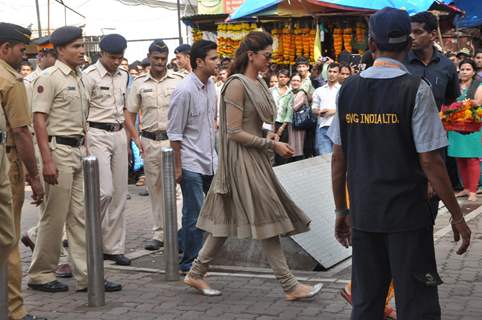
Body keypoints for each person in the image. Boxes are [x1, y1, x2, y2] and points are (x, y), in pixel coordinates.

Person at [329, 7, 471, 319]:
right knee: (418, 298)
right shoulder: (414, 89)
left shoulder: (348, 90)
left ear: (370, 44)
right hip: (408, 215)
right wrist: (457, 216)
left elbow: (339, 158)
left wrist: (342, 210)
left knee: (366, 300)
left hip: (365, 213)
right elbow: (431, 161)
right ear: (408, 45)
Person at [182, 31, 321, 300]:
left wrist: (268, 137)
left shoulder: (256, 82)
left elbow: (254, 125)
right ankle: (289, 285)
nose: (270, 60)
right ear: (251, 55)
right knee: (268, 219)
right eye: (267, 55)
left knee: (224, 222)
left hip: (255, 157)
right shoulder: (236, 84)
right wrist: (271, 144)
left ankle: (196, 273)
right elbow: (233, 132)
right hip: (241, 161)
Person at [28, 26, 121, 293]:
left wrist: (87, 148)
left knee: (81, 217)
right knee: (53, 217)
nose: (82, 51)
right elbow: (39, 121)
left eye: (82, 46)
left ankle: (87, 275)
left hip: (78, 151)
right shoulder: (49, 78)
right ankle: (41, 274)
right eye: (76, 47)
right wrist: (46, 161)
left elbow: (81, 123)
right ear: (60, 50)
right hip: (57, 152)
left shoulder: (80, 77)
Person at [0, 22, 46, 320]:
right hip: (8, 165)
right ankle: (14, 310)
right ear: (5, 49)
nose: (24, 57)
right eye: (20, 50)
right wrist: (34, 175)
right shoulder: (10, 81)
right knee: (9, 239)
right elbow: (21, 132)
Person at [126, 39, 183, 251]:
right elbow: (129, 113)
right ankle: (159, 234)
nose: (160, 62)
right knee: (155, 188)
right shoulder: (139, 83)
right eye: (156, 58)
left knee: (177, 189)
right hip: (149, 142)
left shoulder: (178, 81)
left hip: (173, 142)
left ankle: (177, 233)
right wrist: (136, 139)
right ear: (149, 57)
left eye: (163, 59)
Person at [167, 40, 219, 273]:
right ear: (199, 62)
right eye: (213, 58)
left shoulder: (212, 87)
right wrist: (178, 168)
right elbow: (175, 133)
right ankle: (189, 262)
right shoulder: (184, 90)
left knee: (208, 211)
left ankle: (181, 243)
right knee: (194, 212)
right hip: (189, 161)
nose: (218, 62)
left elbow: (211, 124)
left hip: (210, 160)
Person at [83, 34, 131, 265]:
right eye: (112, 57)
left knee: (120, 193)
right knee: (104, 192)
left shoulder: (125, 76)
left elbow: (126, 110)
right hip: (95, 134)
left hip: (119, 133)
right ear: (101, 53)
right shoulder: (88, 76)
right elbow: (80, 112)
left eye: (120, 58)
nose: (116, 62)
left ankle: (112, 247)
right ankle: (74, 236)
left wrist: (129, 141)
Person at [406, 11, 461, 207]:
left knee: (432, 202)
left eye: (418, 32)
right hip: (404, 143)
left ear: (432, 35)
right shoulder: (401, 63)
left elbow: (451, 102)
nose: (412, 36)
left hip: (435, 143)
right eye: (409, 32)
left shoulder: (447, 66)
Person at [448, 59, 482, 201]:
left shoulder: (478, 86)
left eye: (468, 69)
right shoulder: (454, 86)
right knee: (460, 158)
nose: (464, 72)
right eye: (462, 69)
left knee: (472, 158)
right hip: (455, 125)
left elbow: (478, 103)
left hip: (472, 126)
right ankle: (466, 188)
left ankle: (473, 190)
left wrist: (462, 104)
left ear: (473, 72)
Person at [312, 62, 340, 156]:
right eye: (330, 71)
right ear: (326, 72)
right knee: (325, 158)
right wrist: (319, 112)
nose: (332, 74)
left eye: (335, 72)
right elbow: (314, 108)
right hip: (323, 127)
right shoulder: (319, 90)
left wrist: (332, 111)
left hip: (338, 127)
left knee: (338, 158)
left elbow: (348, 108)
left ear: (338, 73)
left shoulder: (342, 89)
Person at [271, 69, 293, 166]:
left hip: (283, 124)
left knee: (282, 148)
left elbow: (289, 112)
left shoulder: (290, 93)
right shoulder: (271, 90)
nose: (282, 79)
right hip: (270, 122)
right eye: (281, 77)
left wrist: (282, 127)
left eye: (285, 77)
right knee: (270, 147)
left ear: (288, 79)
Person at [287, 73, 308, 162]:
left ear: (301, 82)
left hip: (298, 123)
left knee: (298, 144)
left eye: (298, 81)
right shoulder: (289, 92)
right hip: (289, 123)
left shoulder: (301, 93)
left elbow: (294, 107)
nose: (295, 82)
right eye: (294, 80)